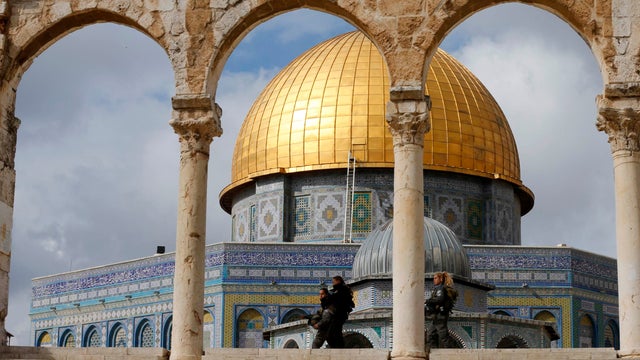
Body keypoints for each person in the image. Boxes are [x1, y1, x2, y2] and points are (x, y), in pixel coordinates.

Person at [425, 271, 457, 349]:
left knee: (443, 335)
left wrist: (429, 301)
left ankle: (452, 352)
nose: (434, 280)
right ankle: (434, 352)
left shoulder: (441, 288)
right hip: (437, 316)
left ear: (441, 279)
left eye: (436, 278)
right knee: (430, 334)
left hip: (440, 316)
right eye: (434, 278)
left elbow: (440, 299)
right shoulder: (438, 288)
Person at [328, 275, 354, 348]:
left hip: (340, 314)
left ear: (338, 281)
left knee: (335, 331)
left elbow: (341, 302)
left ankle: (339, 348)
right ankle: (337, 347)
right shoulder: (338, 290)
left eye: (334, 282)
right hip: (337, 314)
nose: (333, 284)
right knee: (333, 332)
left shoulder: (342, 290)